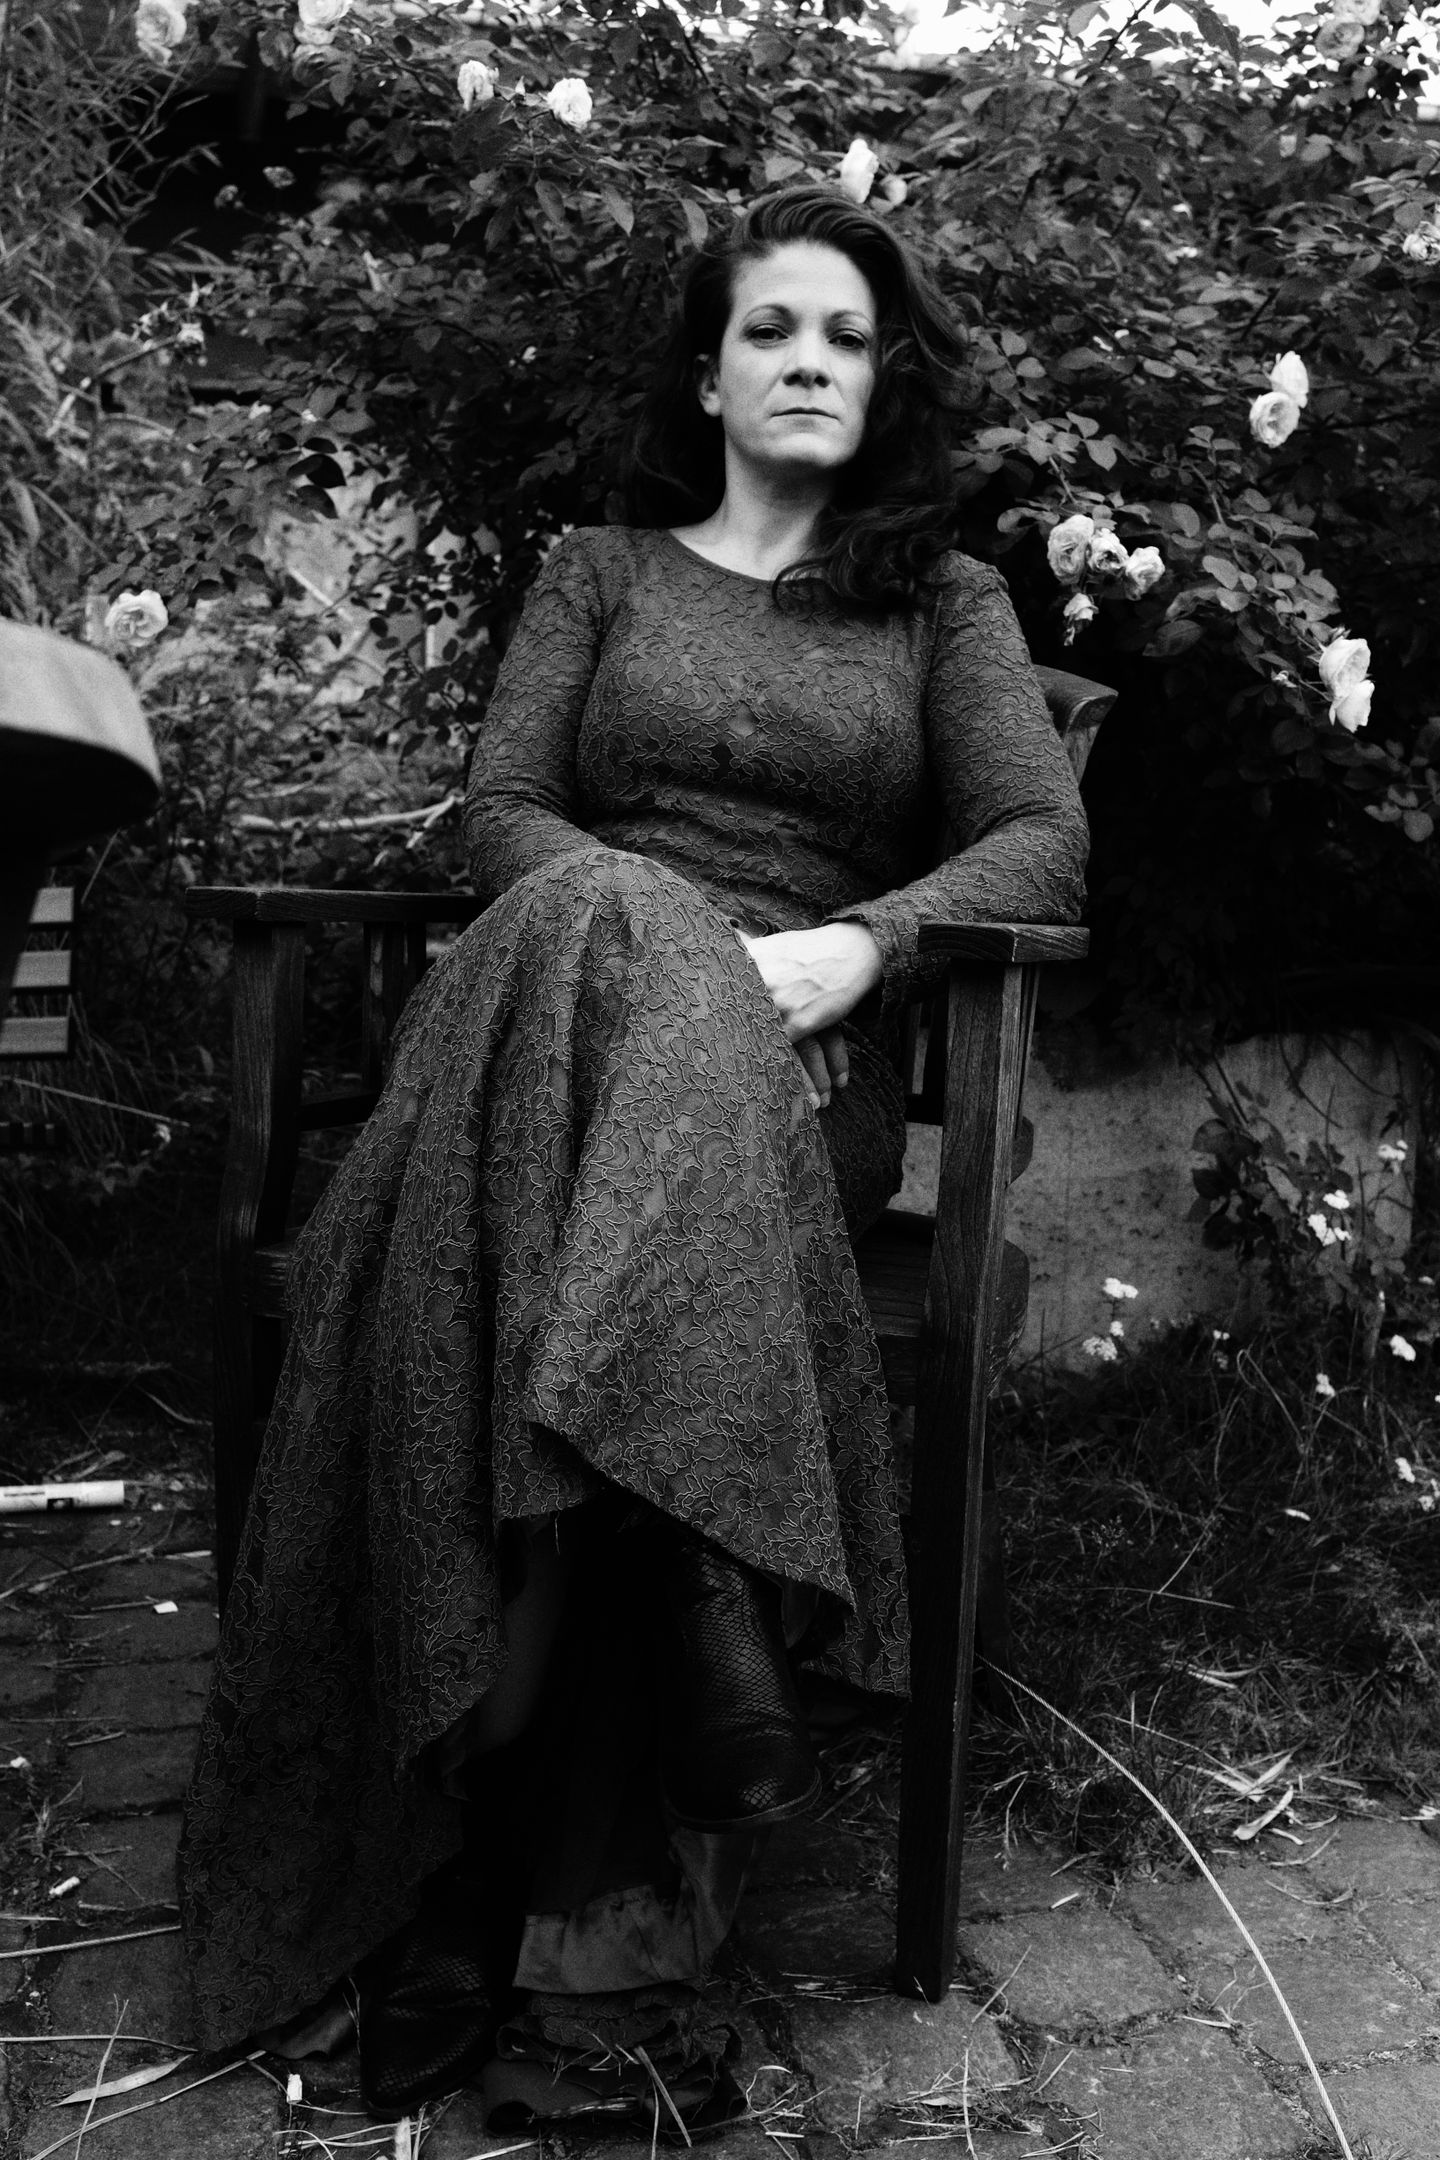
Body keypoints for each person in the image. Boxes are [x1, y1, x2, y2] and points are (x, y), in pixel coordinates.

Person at [178, 184, 1088, 2129]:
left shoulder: (940, 604)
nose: (810, 363)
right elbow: (505, 818)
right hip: (542, 1043)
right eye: (773, 329)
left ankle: (461, 1881)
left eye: (846, 337)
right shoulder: (599, 573)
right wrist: (652, 938)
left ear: (883, 381)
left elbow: (1041, 842)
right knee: (604, 922)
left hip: (786, 1090)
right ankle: (677, 1616)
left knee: (565, 1261)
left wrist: (861, 948)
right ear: (708, 371)